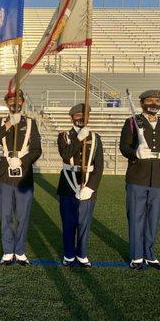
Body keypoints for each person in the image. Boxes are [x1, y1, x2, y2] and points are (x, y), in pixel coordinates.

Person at [120, 90, 160, 271]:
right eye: (150, 100)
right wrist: (135, 152)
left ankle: (149, 255)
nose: (154, 102)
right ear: (142, 103)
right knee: (136, 218)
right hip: (137, 176)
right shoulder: (132, 122)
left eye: (157, 100)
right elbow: (124, 147)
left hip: (159, 178)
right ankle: (137, 257)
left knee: (153, 219)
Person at [0, 90, 42, 266]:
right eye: (11, 100)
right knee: (5, 215)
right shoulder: (0, 122)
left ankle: (20, 251)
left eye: (18, 100)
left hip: (24, 174)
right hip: (5, 173)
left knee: (22, 215)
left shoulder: (31, 124)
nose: (15, 103)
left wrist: (22, 161)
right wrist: (9, 124)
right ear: (6, 103)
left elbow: (36, 149)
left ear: (23, 102)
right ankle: (8, 251)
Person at [57, 103, 104, 268]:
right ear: (71, 117)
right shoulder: (64, 136)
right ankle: (69, 255)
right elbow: (65, 155)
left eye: (85, 116)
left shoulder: (96, 137)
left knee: (84, 223)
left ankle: (82, 254)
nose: (82, 118)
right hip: (68, 185)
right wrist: (78, 139)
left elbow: (99, 166)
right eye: (78, 115)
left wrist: (91, 187)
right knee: (68, 222)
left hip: (88, 186)